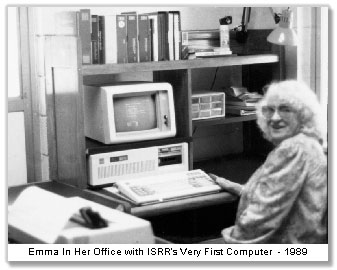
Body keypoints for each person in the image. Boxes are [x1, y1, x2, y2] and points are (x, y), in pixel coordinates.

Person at [209, 80, 327, 244]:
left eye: (286, 109)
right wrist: (242, 190)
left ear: (303, 115)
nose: (275, 118)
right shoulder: (305, 144)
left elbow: (261, 219)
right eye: (270, 110)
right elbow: (281, 197)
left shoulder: (293, 149)